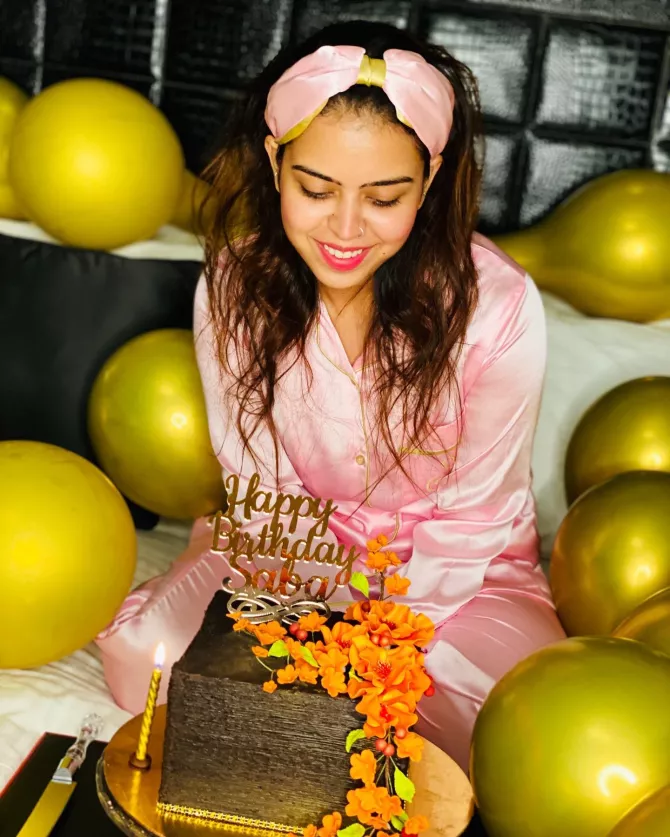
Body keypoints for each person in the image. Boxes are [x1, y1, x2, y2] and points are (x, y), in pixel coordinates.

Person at [97, 19, 565, 773]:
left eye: (384, 197)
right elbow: (257, 485)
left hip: (459, 579)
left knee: (467, 725)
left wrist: (380, 642)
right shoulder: (232, 285)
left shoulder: (499, 305)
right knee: (138, 661)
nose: (345, 228)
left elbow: (477, 516)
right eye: (316, 189)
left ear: (431, 179)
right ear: (277, 163)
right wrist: (306, 626)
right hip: (285, 552)